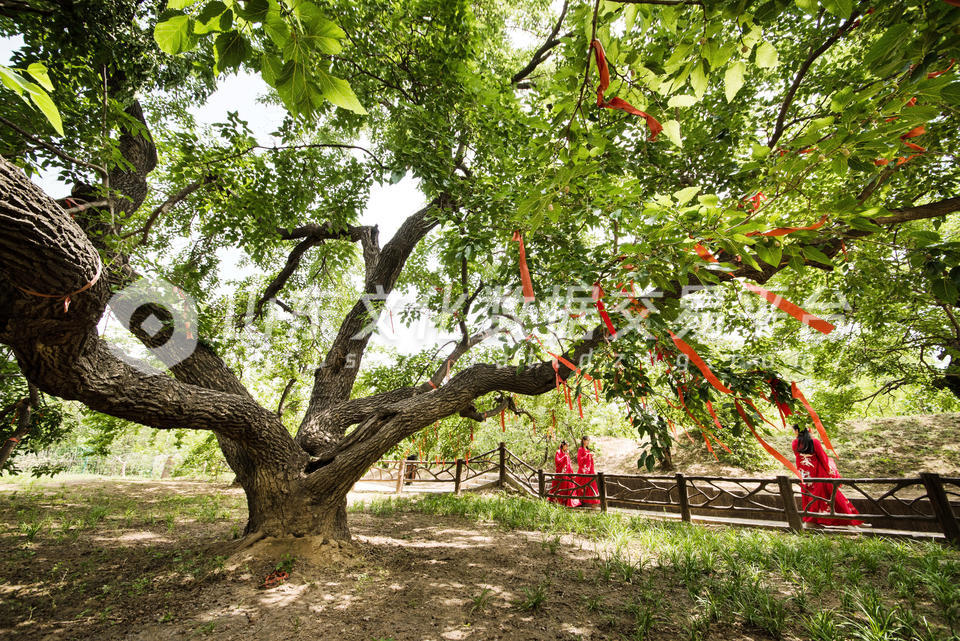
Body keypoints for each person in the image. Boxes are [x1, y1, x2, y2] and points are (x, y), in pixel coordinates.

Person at [791, 424, 863, 527]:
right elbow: (823, 458)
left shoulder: (795, 443)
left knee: (810, 497)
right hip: (819, 474)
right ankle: (851, 521)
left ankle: (811, 521)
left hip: (805, 475)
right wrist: (830, 471)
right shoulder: (814, 442)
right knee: (835, 496)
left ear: (797, 431)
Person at [549, 441, 580, 507]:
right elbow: (557, 461)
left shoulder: (566, 453)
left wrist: (571, 472)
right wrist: (564, 457)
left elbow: (569, 464)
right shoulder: (558, 452)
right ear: (562, 445)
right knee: (560, 486)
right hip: (561, 472)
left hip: (567, 472)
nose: (566, 447)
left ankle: (566, 502)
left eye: (567, 446)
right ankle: (558, 501)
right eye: (566, 446)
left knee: (567, 486)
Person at [576, 436, 600, 507]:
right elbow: (579, 459)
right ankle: (581, 501)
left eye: (589, 441)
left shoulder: (587, 449)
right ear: (583, 441)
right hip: (583, 470)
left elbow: (589, 460)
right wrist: (587, 455)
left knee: (592, 485)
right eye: (587, 440)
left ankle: (593, 501)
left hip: (589, 469)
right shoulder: (580, 449)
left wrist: (590, 456)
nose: (588, 442)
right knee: (582, 486)